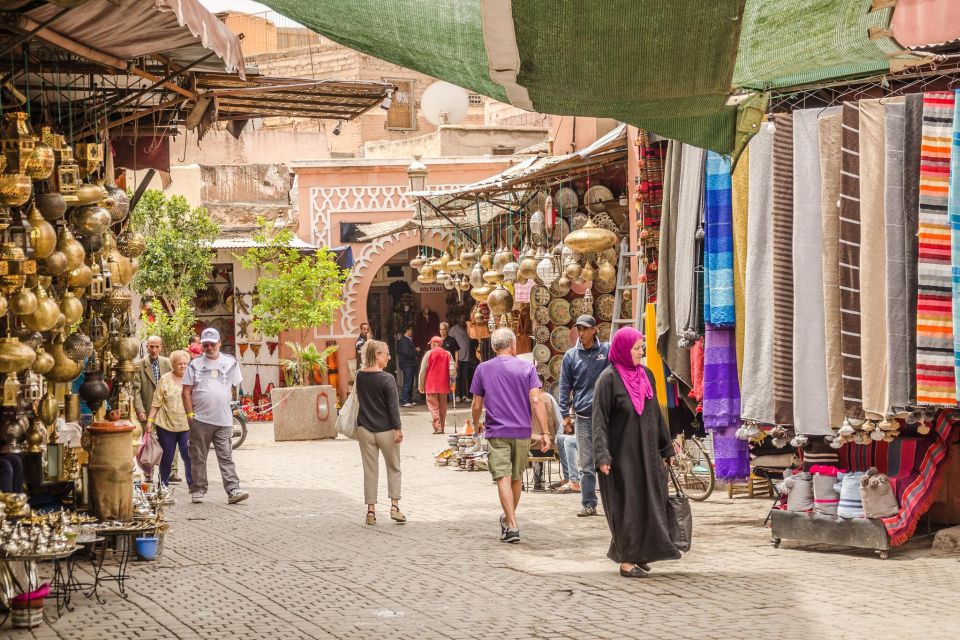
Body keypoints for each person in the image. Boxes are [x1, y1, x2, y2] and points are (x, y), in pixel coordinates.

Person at [593, 327, 679, 578]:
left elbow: (656, 414)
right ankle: (627, 561)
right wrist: (602, 456)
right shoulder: (608, 379)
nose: (642, 351)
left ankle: (639, 552)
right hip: (622, 457)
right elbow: (599, 422)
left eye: (642, 346)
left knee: (650, 502)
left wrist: (666, 447)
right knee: (627, 505)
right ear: (623, 349)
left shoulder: (646, 375)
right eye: (637, 347)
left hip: (648, 454)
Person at [471, 328, 550, 543]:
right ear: (513, 345)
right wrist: (545, 432)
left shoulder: (483, 369)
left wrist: (476, 422)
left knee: (502, 477)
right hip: (522, 431)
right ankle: (509, 521)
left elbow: (477, 403)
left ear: (495, 347)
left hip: (497, 430)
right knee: (515, 477)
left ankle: (511, 523)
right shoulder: (527, 368)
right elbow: (536, 401)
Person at [182, 328, 249, 505]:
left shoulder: (231, 362)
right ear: (202, 346)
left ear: (219, 343)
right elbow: (186, 391)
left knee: (226, 456)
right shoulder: (194, 365)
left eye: (213, 344)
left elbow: (235, 387)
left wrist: (232, 406)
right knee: (198, 456)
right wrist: (190, 415)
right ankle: (198, 489)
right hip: (200, 420)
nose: (210, 347)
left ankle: (233, 490)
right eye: (206, 344)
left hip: (224, 420)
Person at [558, 315, 609, 517]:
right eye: (579, 329)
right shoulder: (571, 356)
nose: (581, 333)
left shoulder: (606, 351)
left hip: (606, 416)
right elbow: (564, 387)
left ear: (594, 330)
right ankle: (589, 503)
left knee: (608, 461)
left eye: (585, 329)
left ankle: (615, 502)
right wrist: (565, 415)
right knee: (586, 464)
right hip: (584, 417)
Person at [355, 339, 405, 525]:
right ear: (377, 355)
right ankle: (394, 506)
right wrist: (398, 428)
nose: (388, 358)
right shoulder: (387, 378)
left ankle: (370, 512)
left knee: (370, 470)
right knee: (393, 467)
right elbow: (393, 407)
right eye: (386, 354)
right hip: (386, 429)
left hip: (364, 428)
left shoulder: (360, 376)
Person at [132, 335, 177, 481]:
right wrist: (140, 409)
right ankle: (148, 472)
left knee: (170, 439)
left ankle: (172, 472)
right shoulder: (139, 365)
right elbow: (135, 389)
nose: (154, 349)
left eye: (157, 346)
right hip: (147, 407)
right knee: (148, 441)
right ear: (147, 347)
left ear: (161, 347)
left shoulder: (167, 363)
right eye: (151, 346)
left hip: (167, 409)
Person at [146, 350, 193, 487]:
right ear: (173, 364)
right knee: (167, 456)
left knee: (188, 455)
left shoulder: (191, 379)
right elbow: (156, 402)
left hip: (186, 425)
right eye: (179, 364)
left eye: (185, 363)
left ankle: (192, 484)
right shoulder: (165, 379)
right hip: (166, 425)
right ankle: (163, 483)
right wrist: (150, 421)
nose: (183, 366)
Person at [419, 336, 452, 434]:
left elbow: (422, 371)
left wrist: (421, 385)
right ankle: (442, 427)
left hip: (430, 385)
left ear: (434, 343)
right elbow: (452, 369)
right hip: (444, 385)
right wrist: (453, 382)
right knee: (443, 407)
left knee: (433, 407)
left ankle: (437, 427)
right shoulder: (448, 354)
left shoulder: (428, 354)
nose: (431, 345)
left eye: (432, 343)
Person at [448, 316, 472, 402]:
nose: (463, 320)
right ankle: (457, 395)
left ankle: (464, 395)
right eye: (461, 318)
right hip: (457, 358)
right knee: (456, 378)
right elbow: (449, 342)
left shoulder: (469, 328)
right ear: (458, 319)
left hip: (467, 358)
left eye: (464, 319)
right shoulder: (453, 330)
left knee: (464, 377)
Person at [397, 325, 418, 407]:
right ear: (408, 330)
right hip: (407, 364)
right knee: (407, 382)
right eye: (411, 330)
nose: (412, 332)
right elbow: (407, 353)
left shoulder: (407, 340)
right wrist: (415, 350)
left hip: (410, 364)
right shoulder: (404, 340)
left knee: (410, 382)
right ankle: (404, 400)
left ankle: (409, 399)